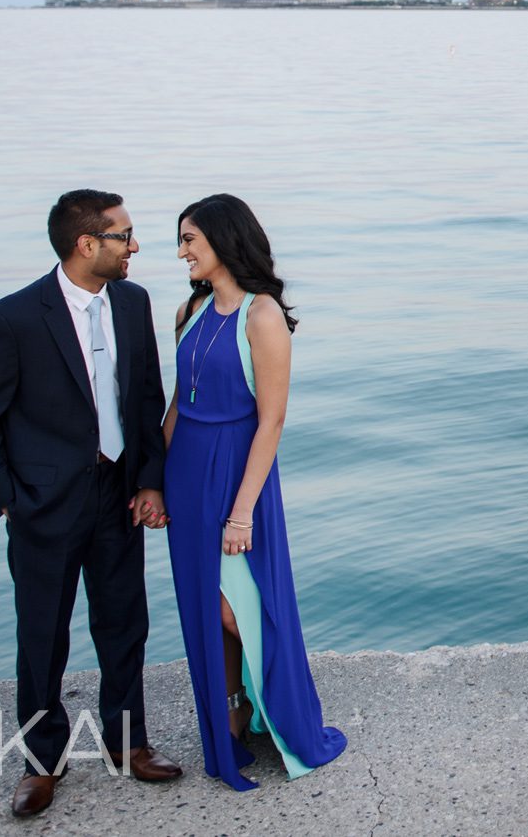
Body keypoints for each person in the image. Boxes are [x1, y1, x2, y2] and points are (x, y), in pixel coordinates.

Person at [0, 189, 184, 817]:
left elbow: (142, 398)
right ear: (88, 245)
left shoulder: (133, 303)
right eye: (124, 236)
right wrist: (8, 499)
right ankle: (41, 762)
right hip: (42, 505)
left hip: (118, 495)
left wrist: (149, 481)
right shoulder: (15, 318)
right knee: (42, 636)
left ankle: (128, 742)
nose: (135, 246)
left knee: (124, 623)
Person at [164, 193, 347, 789]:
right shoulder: (191, 309)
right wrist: (154, 481)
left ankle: (288, 718)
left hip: (236, 477)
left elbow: (271, 421)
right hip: (186, 473)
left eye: (190, 238)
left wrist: (241, 513)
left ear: (223, 239)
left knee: (237, 607)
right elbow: (177, 402)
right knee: (204, 611)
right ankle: (232, 723)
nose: (182, 250)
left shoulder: (261, 315)